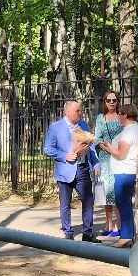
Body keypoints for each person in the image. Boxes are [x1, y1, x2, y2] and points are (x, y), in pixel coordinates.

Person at [42, 99, 97, 241]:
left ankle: (87, 232)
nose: (80, 112)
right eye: (77, 110)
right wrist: (64, 156)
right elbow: (47, 149)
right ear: (67, 112)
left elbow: (90, 146)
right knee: (65, 203)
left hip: (82, 168)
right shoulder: (56, 127)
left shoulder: (83, 125)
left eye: (80, 110)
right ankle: (68, 232)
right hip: (65, 170)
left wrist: (96, 163)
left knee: (88, 201)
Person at [99, 105, 138, 245]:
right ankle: (127, 234)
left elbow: (121, 154)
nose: (118, 116)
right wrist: (109, 148)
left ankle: (126, 236)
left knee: (123, 204)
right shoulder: (134, 129)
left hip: (123, 172)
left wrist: (109, 147)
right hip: (127, 171)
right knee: (124, 204)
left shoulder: (128, 132)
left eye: (119, 114)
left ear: (125, 115)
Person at [92, 92, 124, 237]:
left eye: (114, 100)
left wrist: (115, 149)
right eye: (108, 100)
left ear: (118, 102)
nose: (111, 102)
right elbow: (96, 138)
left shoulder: (122, 116)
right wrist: (105, 147)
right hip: (105, 158)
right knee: (107, 191)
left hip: (118, 157)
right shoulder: (100, 118)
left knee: (117, 191)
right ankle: (108, 224)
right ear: (104, 102)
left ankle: (118, 225)